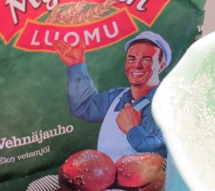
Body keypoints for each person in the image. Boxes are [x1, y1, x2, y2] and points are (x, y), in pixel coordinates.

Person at [54, 31, 171, 161]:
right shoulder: (116, 97)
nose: (137, 65)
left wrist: (133, 130)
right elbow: (83, 106)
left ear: (161, 66)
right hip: (105, 172)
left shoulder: (169, 103)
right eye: (131, 59)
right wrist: (76, 65)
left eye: (146, 59)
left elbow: (169, 150)